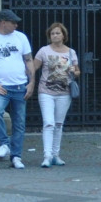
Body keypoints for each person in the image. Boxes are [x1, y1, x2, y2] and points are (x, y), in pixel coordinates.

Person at [0, 9, 34, 169]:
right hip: (2, 87)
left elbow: (29, 60)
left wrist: (31, 82)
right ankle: (4, 144)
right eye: (13, 22)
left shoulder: (21, 37)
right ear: (2, 22)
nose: (16, 25)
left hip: (20, 85)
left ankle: (16, 156)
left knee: (19, 122)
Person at [34, 22, 79, 167]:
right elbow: (33, 68)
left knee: (59, 124)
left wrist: (73, 70)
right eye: (52, 33)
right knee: (48, 123)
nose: (55, 35)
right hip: (46, 92)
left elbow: (78, 72)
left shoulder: (70, 52)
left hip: (64, 93)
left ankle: (55, 154)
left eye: (58, 33)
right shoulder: (43, 51)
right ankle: (47, 155)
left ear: (63, 35)